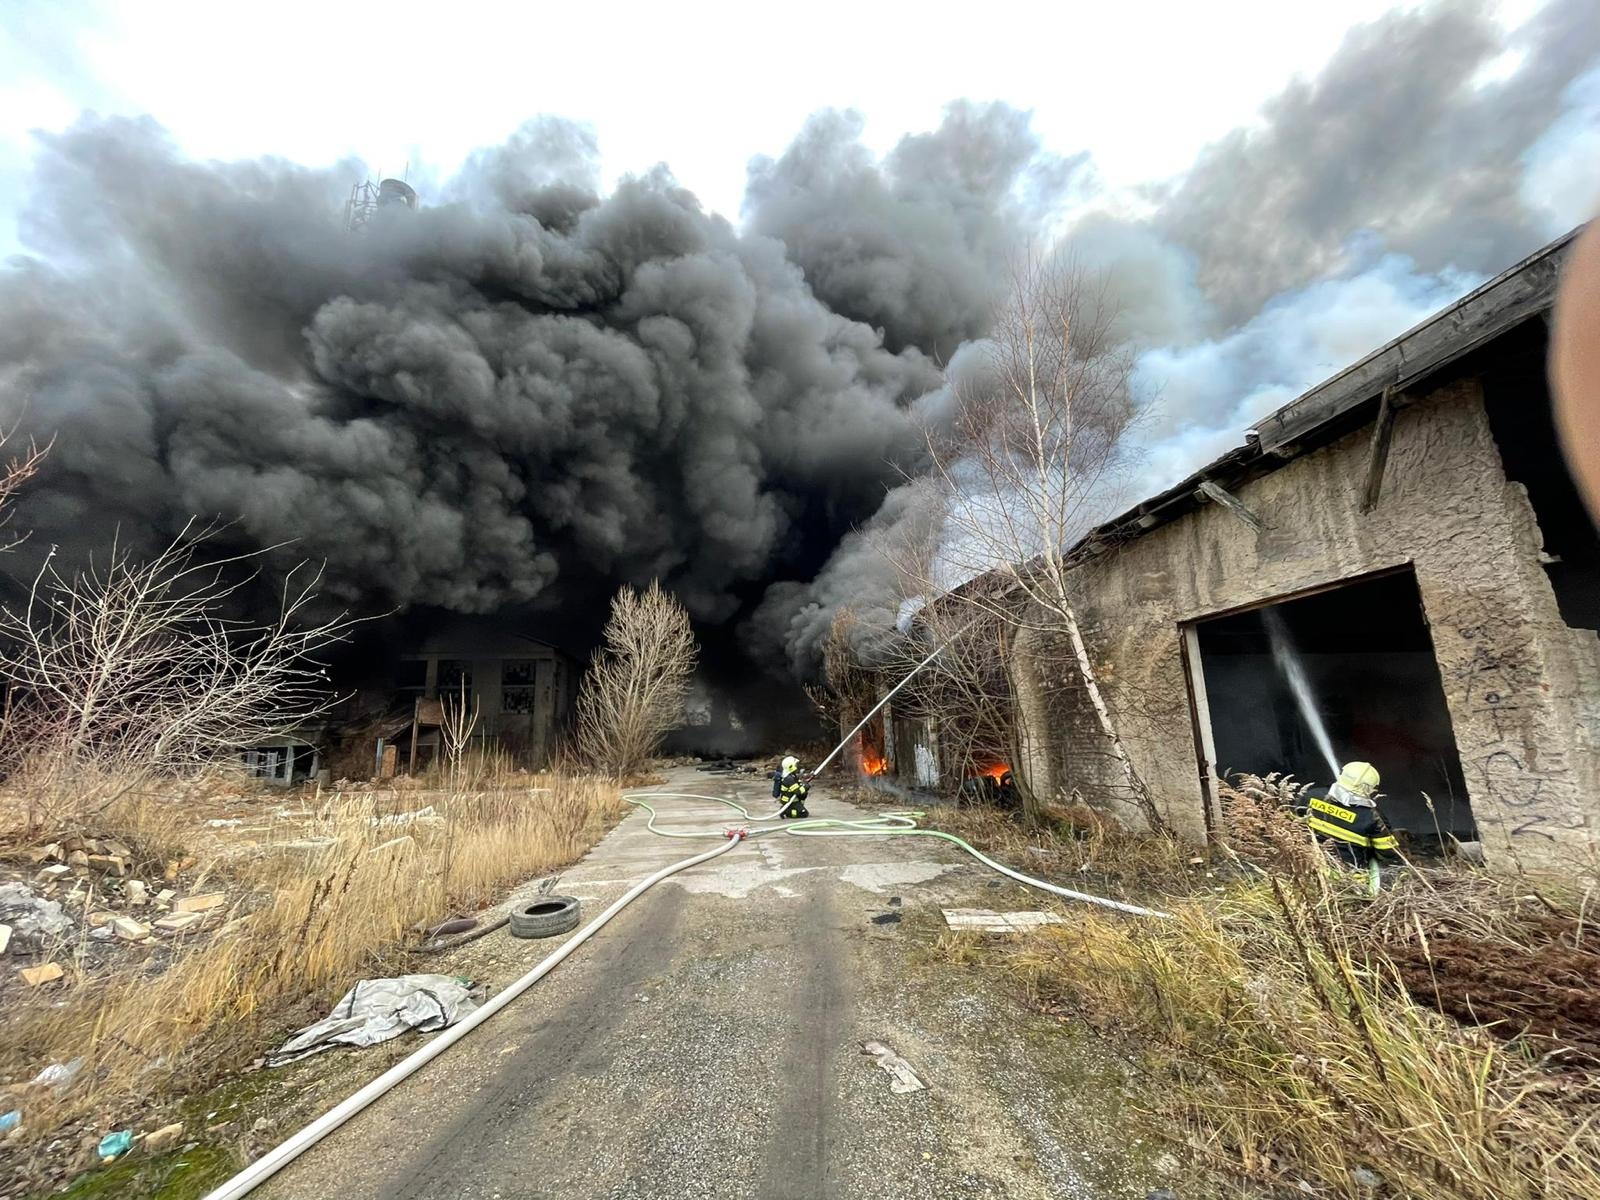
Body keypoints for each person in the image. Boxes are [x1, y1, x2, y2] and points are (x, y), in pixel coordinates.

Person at [1306, 761, 1399, 891]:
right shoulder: (1372, 817)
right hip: (1348, 883)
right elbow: (1388, 854)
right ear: (1370, 789)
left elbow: (1289, 826)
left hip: (1304, 869)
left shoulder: (1310, 796)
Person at [772, 754, 810, 819]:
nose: (797, 766)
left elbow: (798, 784)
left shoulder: (791, 776)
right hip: (789, 801)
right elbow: (797, 792)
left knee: (804, 794)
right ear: (791, 766)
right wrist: (806, 787)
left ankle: (791, 808)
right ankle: (786, 811)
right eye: (795, 765)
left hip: (793, 800)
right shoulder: (789, 779)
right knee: (803, 814)